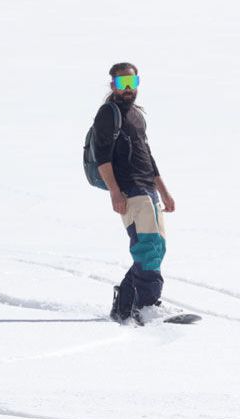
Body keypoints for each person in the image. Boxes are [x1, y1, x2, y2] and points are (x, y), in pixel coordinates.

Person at [92, 62, 175, 325]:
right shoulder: (108, 113)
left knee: (155, 248)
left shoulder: (137, 115)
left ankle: (125, 305)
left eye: (132, 83)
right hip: (129, 190)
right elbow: (102, 158)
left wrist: (164, 191)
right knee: (148, 248)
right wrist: (115, 192)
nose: (128, 90)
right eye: (121, 84)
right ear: (113, 86)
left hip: (148, 189)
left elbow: (147, 157)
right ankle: (147, 307)